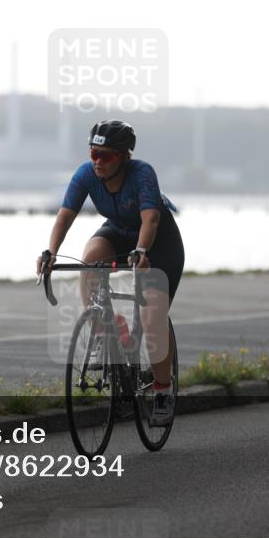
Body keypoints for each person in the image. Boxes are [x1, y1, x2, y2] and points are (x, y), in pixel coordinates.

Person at [36, 120, 185, 426]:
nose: (98, 162)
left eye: (106, 155)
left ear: (124, 156)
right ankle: (104, 326)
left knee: (151, 316)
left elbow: (152, 219)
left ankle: (162, 390)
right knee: (89, 260)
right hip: (118, 232)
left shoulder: (142, 173)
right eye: (93, 153)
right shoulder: (86, 174)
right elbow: (65, 216)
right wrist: (50, 252)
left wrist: (142, 252)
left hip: (156, 241)